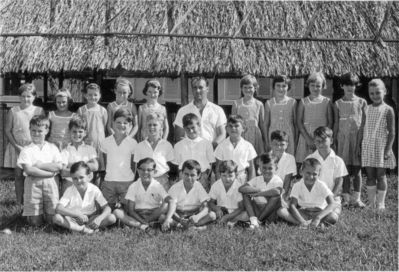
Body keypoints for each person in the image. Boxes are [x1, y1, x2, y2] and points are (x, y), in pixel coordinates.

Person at [16, 115, 63, 226]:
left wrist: (39, 165)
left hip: (51, 184)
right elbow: (29, 170)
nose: (36, 134)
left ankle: (49, 214)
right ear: (29, 130)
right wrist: (49, 174)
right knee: (35, 223)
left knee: (53, 222)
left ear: (46, 130)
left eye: (39, 131)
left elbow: (58, 167)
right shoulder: (26, 150)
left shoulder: (52, 148)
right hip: (33, 184)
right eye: (33, 131)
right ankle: (32, 216)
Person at [359, 79, 396, 212]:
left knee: (381, 175)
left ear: (384, 92)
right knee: (370, 176)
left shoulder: (388, 110)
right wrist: (360, 145)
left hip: (381, 146)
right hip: (368, 145)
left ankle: (381, 203)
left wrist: (388, 149)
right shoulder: (366, 109)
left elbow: (392, 132)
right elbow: (363, 127)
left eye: (377, 93)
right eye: (372, 93)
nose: (375, 96)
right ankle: (371, 203)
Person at [4, 83, 44, 205]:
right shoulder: (13, 111)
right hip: (17, 147)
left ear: (34, 97)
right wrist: (16, 146)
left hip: (33, 147)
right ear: (19, 97)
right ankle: (19, 201)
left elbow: (42, 128)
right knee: (18, 174)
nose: (25, 99)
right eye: (23, 96)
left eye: (28, 96)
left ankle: (32, 200)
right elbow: (7, 130)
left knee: (32, 174)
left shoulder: (38, 110)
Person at [113, 158, 177, 232]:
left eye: (149, 170)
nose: (145, 172)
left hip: (154, 214)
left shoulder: (157, 185)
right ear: (138, 170)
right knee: (117, 212)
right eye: (142, 169)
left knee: (165, 206)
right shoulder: (133, 186)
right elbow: (131, 211)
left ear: (154, 172)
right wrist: (143, 221)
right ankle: (143, 226)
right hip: (137, 215)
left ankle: (143, 225)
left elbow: (171, 201)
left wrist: (168, 219)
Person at [333, 73, 367, 207]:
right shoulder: (337, 103)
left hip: (357, 139)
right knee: (345, 169)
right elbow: (336, 123)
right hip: (343, 140)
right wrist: (334, 140)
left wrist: (361, 141)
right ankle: (346, 197)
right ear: (342, 86)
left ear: (356, 86)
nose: (350, 87)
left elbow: (364, 123)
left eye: (352, 85)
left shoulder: (361, 102)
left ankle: (357, 198)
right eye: (347, 85)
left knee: (357, 170)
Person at [53, 161, 116, 234]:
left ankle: (81, 228)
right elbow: (58, 208)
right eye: (75, 178)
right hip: (73, 218)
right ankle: (83, 229)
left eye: (81, 177)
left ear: (89, 176)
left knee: (112, 218)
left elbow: (107, 208)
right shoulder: (70, 190)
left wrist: (99, 219)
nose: (78, 181)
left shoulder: (94, 189)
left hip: (90, 218)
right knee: (57, 218)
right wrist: (77, 214)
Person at [277, 158, 339, 228]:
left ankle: (310, 223)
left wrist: (318, 218)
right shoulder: (297, 185)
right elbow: (292, 206)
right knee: (281, 211)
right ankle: (306, 224)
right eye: (308, 173)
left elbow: (332, 203)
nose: (311, 177)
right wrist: (302, 220)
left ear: (319, 174)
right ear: (301, 172)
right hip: (304, 212)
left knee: (333, 216)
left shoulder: (321, 185)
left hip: (319, 212)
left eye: (314, 174)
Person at [173, 76, 226, 148]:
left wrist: (211, 147)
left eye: (200, 87)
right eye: (195, 88)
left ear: (207, 89)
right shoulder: (183, 111)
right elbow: (179, 136)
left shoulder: (217, 110)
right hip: (189, 154)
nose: (197, 90)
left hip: (211, 153)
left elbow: (222, 134)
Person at [100, 108, 137, 210]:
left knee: (126, 209)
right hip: (109, 181)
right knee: (107, 208)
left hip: (127, 181)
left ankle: (122, 219)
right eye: (118, 122)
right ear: (113, 123)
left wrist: (132, 180)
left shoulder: (133, 143)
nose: (122, 125)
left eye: (125, 123)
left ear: (130, 125)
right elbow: (105, 162)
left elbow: (134, 164)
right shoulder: (105, 142)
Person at [306, 126, 347, 218]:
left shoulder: (338, 160)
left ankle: (317, 218)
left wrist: (330, 199)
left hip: (332, 199)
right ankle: (314, 218)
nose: (320, 144)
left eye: (324, 141)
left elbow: (339, 182)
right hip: (312, 199)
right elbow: (306, 181)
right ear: (314, 142)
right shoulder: (309, 159)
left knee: (332, 217)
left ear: (331, 140)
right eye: (318, 141)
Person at [296, 72, 333, 163]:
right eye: (312, 85)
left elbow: (330, 122)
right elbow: (299, 122)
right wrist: (308, 139)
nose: (315, 88)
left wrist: (323, 138)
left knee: (321, 162)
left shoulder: (326, 101)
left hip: (322, 137)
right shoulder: (303, 102)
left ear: (323, 86)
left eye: (318, 86)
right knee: (306, 163)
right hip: (306, 136)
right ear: (308, 86)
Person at [239, 153, 283, 229]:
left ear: (276, 168)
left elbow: (277, 192)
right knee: (245, 194)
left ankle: (258, 221)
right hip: (258, 209)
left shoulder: (277, 180)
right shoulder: (257, 179)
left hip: (271, 212)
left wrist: (259, 193)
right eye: (264, 168)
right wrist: (258, 190)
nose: (267, 171)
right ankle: (253, 220)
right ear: (260, 168)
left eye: (270, 168)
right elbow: (241, 188)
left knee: (275, 197)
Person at [173, 113, 215, 191]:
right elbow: (176, 165)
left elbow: (211, 163)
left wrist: (205, 176)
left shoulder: (206, 144)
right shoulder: (178, 145)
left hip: (202, 178)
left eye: (193, 127)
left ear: (199, 126)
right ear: (184, 128)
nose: (191, 131)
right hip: (184, 179)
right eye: (187, 128)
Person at [134, 113, 174, 191]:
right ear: (145, 127)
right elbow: (136, 167)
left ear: (161, 127)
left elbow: (171, 165)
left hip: (162, 180)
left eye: (155, 125)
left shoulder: (166, 145)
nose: (152, 127)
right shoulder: (139, 146)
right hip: (144, 180)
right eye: (149, 125)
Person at [168, 160, 212, 230]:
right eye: (186, 174)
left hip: (194, 214)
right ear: (181, 173)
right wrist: (179, 219)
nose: (189, 178)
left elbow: (206, 207)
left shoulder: (198, 186)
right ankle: (192, 227)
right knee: (163, 217)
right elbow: (170, 207)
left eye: (192, 175)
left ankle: (188, 226)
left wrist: (198, 216)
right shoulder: (175, 187)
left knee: (212, 215)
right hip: (178, 214)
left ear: (198, 175)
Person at [214, 115, 257, 184]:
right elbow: (218, 168)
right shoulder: (221, 146)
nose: (233, 128)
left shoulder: (248, 146)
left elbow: (251, 168)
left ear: (243, 128)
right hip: (226, 179)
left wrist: (250, 185)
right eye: (230, 126)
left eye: (236, 126)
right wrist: (220, 184)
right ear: (226, 129)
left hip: (242, 179)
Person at [60, 116, 98, 193]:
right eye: (74, 131)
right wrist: (85, 168)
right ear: (69, 132)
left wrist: (72, 166)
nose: (77, 134)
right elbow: (63, 172)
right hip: (69, 186)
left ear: (85, 133)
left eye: (80, 131)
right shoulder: (65, 151)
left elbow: (95, 166)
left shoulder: (90, 149)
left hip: (87, 186)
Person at [231, 74, 266, 155]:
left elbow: (262, 124)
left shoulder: (259, 104)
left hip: (256, 136)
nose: (247, 90)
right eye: (245, 87)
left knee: (255, 158)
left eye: (250, 87)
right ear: (241, 89)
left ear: (255, 88)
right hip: (241, 135)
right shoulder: (236, 104)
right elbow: (232, 124)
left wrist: (266, 140)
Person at [206, 160, 247, 227]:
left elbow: (241, 208)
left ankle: (229, 222)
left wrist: (227, 217)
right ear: (220, 174)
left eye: (230, 176)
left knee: (246, 215)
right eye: (224, 176)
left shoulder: (239, 186)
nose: (227, 179)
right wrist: (217, 209)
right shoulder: (216, 185)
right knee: (211, 214)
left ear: (236, 174)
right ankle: (229, 223)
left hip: (235, 213)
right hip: (221, 211)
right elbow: (210, 202)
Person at [77, 83, 107, 171]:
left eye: (95, 95)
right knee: (87, 167)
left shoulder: (103, 110)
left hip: (99, 143)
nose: (92, 97)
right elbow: (79, 127)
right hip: (87, 142)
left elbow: (104, 125)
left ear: (100, 96)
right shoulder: (81, 110)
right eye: (90, 95)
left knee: (99, 168)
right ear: (85, 95)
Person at [264, 75, 297, 155]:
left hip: (289, 137)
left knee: (288, 160)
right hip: (273, 136)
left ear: (288, 87)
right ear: (274, 87)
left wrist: (295, 141)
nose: (281, 88)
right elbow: (266, 124)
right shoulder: (269, 103)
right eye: (278, 85)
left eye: (284, 86)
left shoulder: (292, 102)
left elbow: (295, 124)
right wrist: (267, 141)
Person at [269, 130, 297, 205]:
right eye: (275, 144)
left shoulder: (290, 158)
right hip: (267, 190)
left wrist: (283, 197)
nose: (279, 147)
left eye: (282, 144)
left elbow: (287, 181)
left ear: (287, 145)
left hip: (283, 191)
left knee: (282, 206)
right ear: (270, 144)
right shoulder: (266, 157)